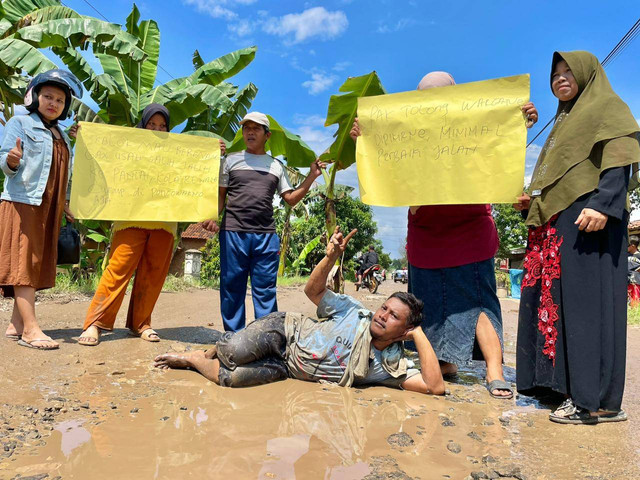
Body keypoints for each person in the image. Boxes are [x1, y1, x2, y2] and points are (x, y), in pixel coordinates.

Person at [350, 72, 538, 399]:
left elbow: (499, 142)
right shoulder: (408, 129)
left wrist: (520, 120)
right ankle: (443, 362)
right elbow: (386, 163)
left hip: (471, 227)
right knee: (429, 304)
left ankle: (494, 370)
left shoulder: (474, 120)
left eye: (437, 93)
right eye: (423, 94)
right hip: (426, 234)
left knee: (478, 303)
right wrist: (364, 139)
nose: (430, 99)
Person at [154, 226, 445, 395]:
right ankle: (213, 350)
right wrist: (330, 257)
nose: (382, 315)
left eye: (393, 316)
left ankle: (193, 360)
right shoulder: (355, 312)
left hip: (288, 368)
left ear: (404, 331)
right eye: (384, 308)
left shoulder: (390, 367)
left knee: (233, 379)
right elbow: (312, 291)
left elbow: (435, 387)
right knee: (232, 353)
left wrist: (418, 335)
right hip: (285, 332)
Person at [514, 51, 639, 424]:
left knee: (587, 309)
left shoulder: (607, 107)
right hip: (565, 223)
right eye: (555, 74)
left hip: (592, 221)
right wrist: (532, 204)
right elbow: (561, 180)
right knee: (558, 306)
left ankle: (593, 401)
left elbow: (619, 158)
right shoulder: (564, 123)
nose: (561, 79)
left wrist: (603, 204)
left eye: (569, 72)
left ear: (587, 75)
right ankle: (561, 387)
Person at [77, 104, 227, 346]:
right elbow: (106, 163)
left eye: (163, 126)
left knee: (154, 275)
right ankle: (95, 323)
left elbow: (196, 174)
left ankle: (141, 324)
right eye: (152, 125)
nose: (157, 129)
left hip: (166, 224)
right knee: (117, 270)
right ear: (142, 126)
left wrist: (212, 152)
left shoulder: (177, 153)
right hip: (130, 220)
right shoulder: (128, 148)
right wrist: (88, 139)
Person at [201, 112, 324, 332]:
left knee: (265, 291)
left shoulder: (276, 166)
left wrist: (312, 176)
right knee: (231, 289)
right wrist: (212, 216)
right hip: (233, 233)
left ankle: (264, 339)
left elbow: (291, 199)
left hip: (266, 237)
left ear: (267, 135)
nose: (249, 131)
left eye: (255, 128)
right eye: (246, 127)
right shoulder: (230, 160)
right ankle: (233, 338)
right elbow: (220, 196)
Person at [0, 69, 82, 350]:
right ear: (35, 96)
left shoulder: (63, 135)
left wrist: (68, 203)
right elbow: (4, 160)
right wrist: (11, 161)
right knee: (23, 263)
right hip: (24, 202)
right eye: (48, 96)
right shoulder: (20, 122)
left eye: (60, 100)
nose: (53, 103)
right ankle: (31, 330)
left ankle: (16, 324)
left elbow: (66, 173)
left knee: (34, 262)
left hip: (51, 206)